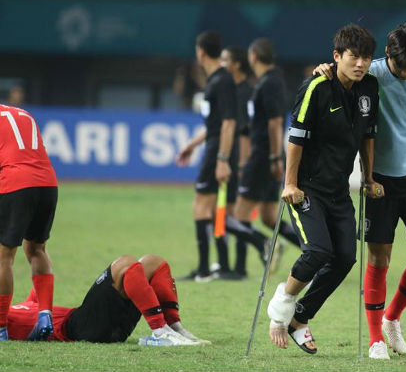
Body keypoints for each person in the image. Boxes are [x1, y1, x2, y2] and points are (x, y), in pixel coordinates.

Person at [315, 23, 406, 360]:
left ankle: (393, 318)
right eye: (401, 66)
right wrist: (325, 70)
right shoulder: (370, 74)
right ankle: (375, 337)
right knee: (380, 258)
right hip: (379, 180)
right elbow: (339, 78)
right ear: (388, 56)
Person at [267, 23, 383, 355]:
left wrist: (369, 177)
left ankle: (300, 320)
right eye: (353, 57)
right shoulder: (317, 87)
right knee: (318, 251)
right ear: (337, 57)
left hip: (338, 190)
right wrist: (290, 184)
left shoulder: (369, 88)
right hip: (306, 188)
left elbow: (368, 137)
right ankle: (281, 309)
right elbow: (296, 139)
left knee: (345, 257)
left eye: (365, 58)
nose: (359, 64)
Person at [7, 254, 209, 345]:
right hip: (78, 329)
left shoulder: (21, 305)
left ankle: (174, 329)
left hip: (101, 325)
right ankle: (159, 331)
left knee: (155, 263)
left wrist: (37, 249)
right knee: (124, 264)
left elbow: (40, 282)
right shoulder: (4, 320)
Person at [175, 31, 237, 282]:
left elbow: (229, 123)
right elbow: (214, 125)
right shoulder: (215, 81)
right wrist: (191, 144)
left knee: (201, 206)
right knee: (209, 209)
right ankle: (217, 265)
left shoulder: (222, 81)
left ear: (200, 51)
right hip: (212, 147)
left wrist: (222, 160)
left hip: (216, 152)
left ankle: (203, 269)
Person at [233, 38, 301, 255]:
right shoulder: (270, 81)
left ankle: (245, 262)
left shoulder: (270, 82)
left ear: (253, 56)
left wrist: (273, 158)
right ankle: (314, 253)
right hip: (269, 155)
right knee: (269, 218)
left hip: (264, 156)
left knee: (239, 216)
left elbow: (275, 122)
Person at [0, 104, 58, 341]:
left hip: (16, 182)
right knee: (36, 248)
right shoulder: (22, 113)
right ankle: (45, 314)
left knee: (4, 255)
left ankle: (1, 327)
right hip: (48, 182)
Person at [217, 46, 261, 280]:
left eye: (225, 59)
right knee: (227, 212)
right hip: (230, 159)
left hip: (238, 161)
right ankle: (228, 265)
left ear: (236, 64)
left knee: (234, 214)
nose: (221, 64)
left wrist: (243, 162)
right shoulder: (232, 89)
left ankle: (240, 265)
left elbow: (246, 131)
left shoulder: (245, 92)